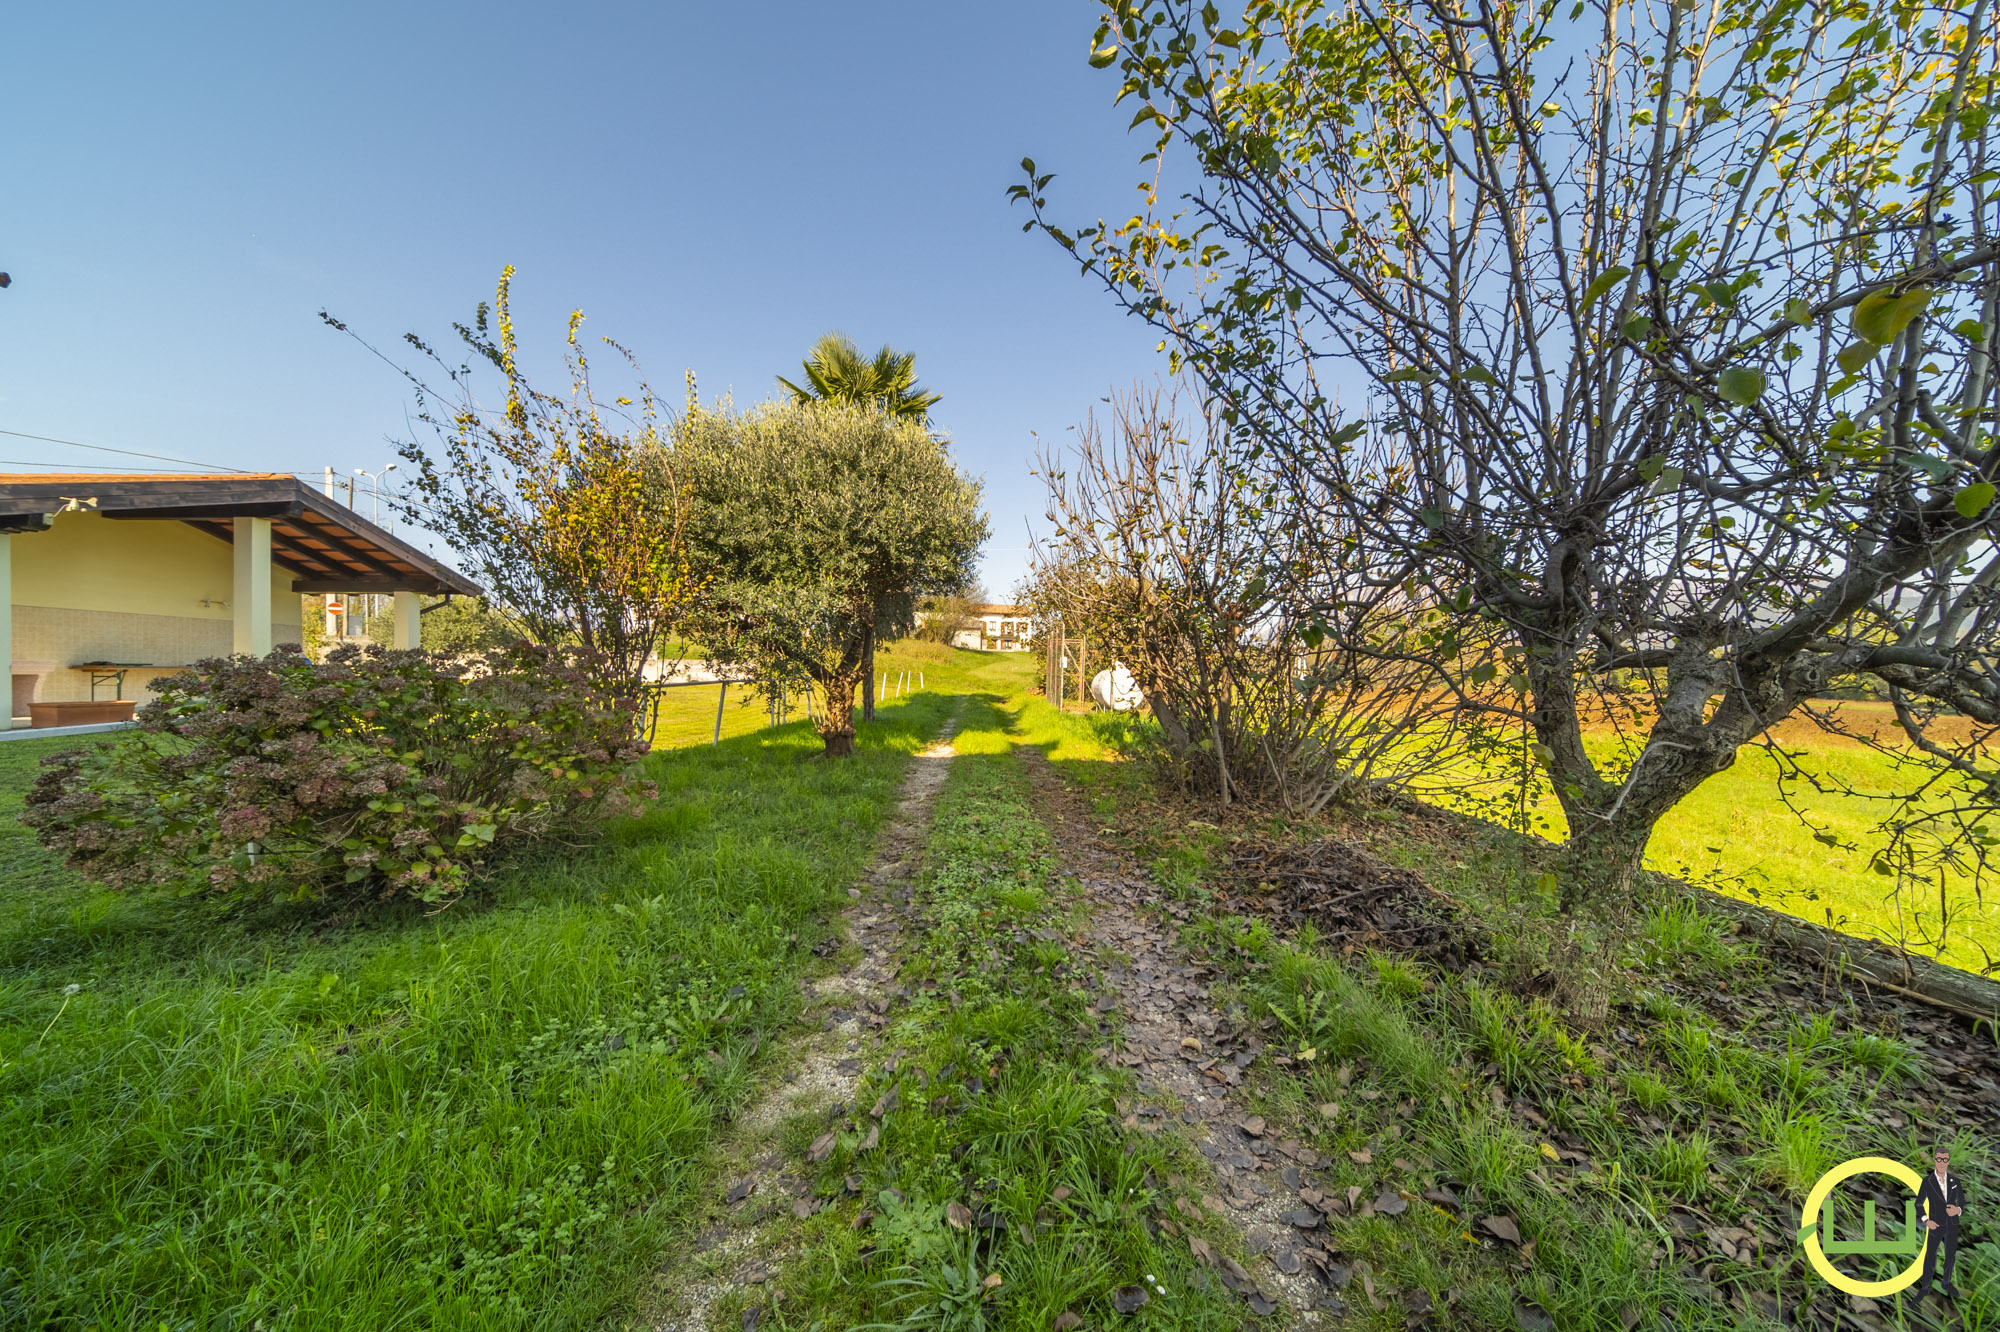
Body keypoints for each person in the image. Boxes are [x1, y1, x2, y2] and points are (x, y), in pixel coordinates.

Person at [1914, 1146, 1968, 1301]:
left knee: (1950, 1254)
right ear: (1935, 1160)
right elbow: (1919, 1203)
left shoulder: (1955, 1181)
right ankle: (1925, 1287)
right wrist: (1926, 1220)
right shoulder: (1928, 1181)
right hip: (1935, 1223)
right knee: (1931, 1254)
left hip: (1951, 1223)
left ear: (1948, 1161)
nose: (1942, 1162)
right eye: (1939, 1159)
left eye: (1945, 1159)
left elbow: (1962, 1202)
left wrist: (1957, 1210)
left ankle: (1946, 1282)